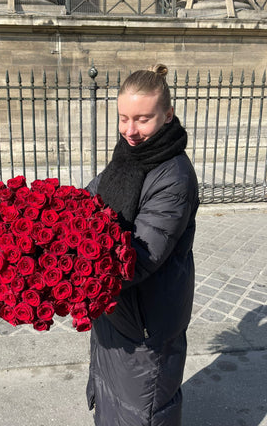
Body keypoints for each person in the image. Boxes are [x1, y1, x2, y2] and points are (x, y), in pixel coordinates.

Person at [86, 64, 199, 426]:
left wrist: (81, 271)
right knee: (112, 399)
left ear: (168, 115)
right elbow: (89, 203)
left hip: (147, 319)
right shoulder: (126, 156)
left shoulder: (175, 176)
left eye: (142, 119)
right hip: (115, 308)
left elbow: (143, 256)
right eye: (123, 118)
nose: (130, 131)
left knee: (145, 410)